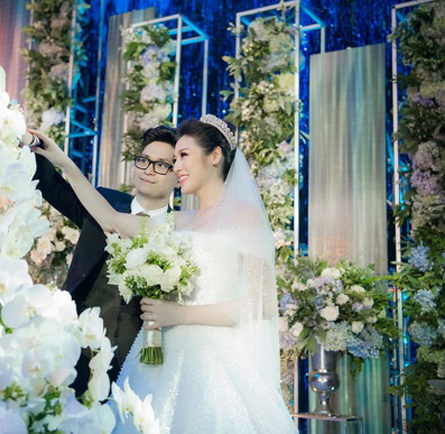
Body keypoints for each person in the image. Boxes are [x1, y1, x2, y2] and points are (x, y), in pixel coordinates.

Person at [30, 115, 297, 433]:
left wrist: (180, 313)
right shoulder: (178, 221)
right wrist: (63, 161)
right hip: (160, 359)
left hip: (214, 361)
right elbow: (111, 220)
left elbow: (262, 304)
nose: (177, 166)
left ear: (214, 156)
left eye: (183, 156)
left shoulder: (245, 216)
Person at [32, 126, 178, 395]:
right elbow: (52, 186)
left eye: (161, 165)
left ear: (178, 176)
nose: (148, 170)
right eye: (144, 160)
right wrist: (23, 143)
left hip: (134, 361)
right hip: (74, 339)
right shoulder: (104, 201)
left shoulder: (180, 232)